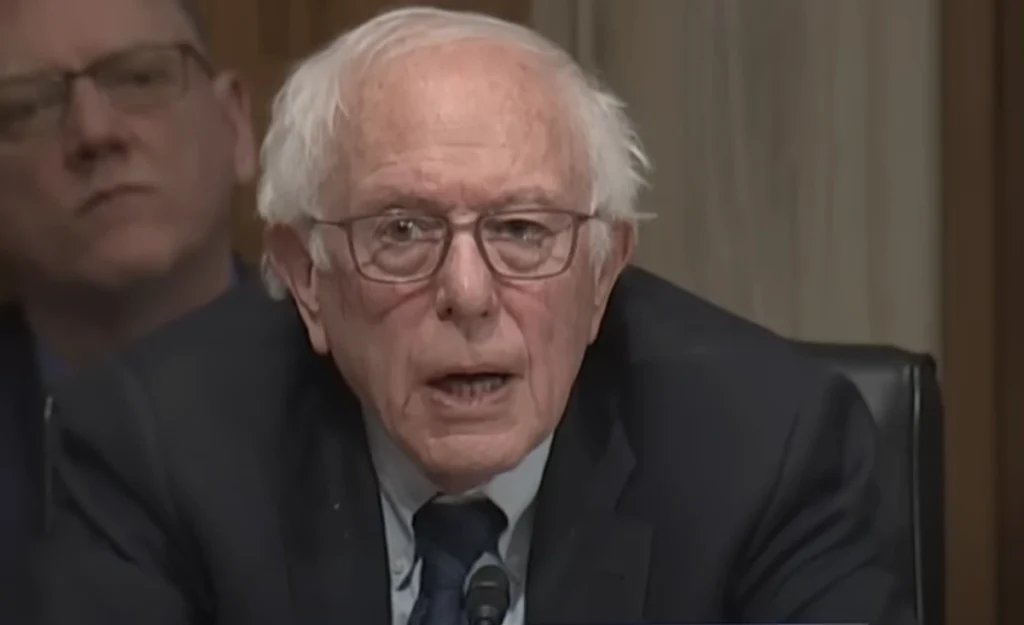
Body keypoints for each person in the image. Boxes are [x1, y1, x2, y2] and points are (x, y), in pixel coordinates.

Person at [32, 6, 915, 625]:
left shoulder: (769, 446)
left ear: (604, 270)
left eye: (523, 230)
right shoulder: (149, 446)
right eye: (403, 230)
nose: (467, 291)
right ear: (308, 278)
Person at [0, 0, 255, 606]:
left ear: (236, 126)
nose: (94, 132)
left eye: (140, 77)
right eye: (27, 107)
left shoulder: (374, 398)